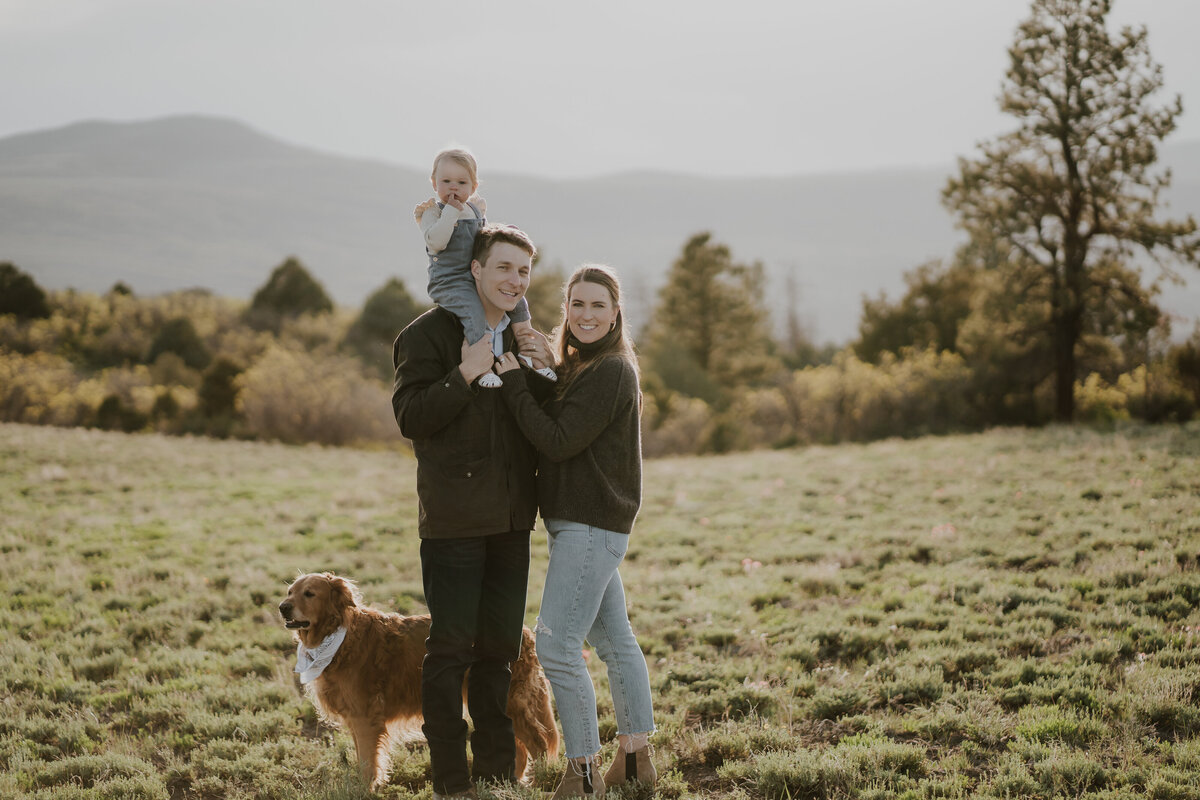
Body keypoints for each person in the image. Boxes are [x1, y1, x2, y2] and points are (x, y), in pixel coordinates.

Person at [392, 224, 555, 800]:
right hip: (455, 523)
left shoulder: (521, 337)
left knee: (499, 651)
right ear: (475, 270)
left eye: (523, 272)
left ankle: (494, 775)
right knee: (449, 652)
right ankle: (452, 781)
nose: (514, 280)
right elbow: (411, 418)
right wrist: (463, 373)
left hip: (513, 521)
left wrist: (546, 365)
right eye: (503, 268)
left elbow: (541, 422)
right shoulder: (426, 335)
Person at [496, 264, 657, 798]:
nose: (586, 315)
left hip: (592, 525)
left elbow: (560, 440)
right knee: (613, 640)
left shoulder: (611, 370)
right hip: (583, 525)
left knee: (557, 646)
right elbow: (564, 423)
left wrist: (515, 380)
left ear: (616, 314)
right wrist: (543, 370)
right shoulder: (585, 367)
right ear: (566, 309)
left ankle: (582, 773)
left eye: (598, 305)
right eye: (578, 304)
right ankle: (635, 760)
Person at [414, 147, 555, 387]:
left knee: (519, 302)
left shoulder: (475, 210)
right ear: (434, 183)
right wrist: (451, 212)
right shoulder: (432, 213)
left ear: (473, 186)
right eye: (446, 181)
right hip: (451, 281)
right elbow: (436, 241)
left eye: (461, 182)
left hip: (475, 277)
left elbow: (486, 243)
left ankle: (528, 351)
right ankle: (482, 367)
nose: (454, 188)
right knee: (473, 310)